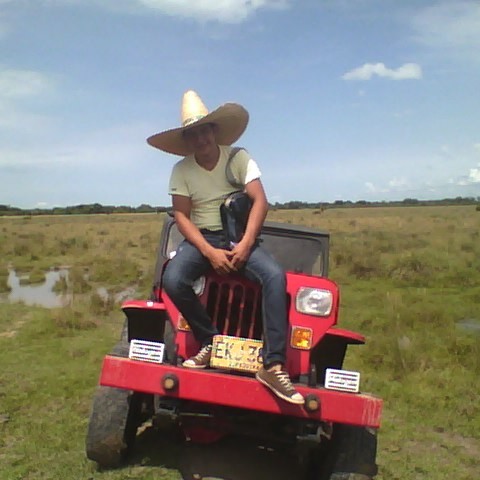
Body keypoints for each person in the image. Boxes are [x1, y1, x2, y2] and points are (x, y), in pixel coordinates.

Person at [147, 90, 304, 405]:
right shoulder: (182, 170)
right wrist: (208, 251)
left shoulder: (238, 158)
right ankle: (210, 341)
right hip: (204, 239)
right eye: (193, 133)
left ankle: (273, 365)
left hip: (238, 238)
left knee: (275, 278)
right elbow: (181, 215)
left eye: (205, 130)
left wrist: (246, 244)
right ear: (187, 140)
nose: (201, 138)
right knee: (173, 280)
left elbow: (260, 201)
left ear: (214, 131)